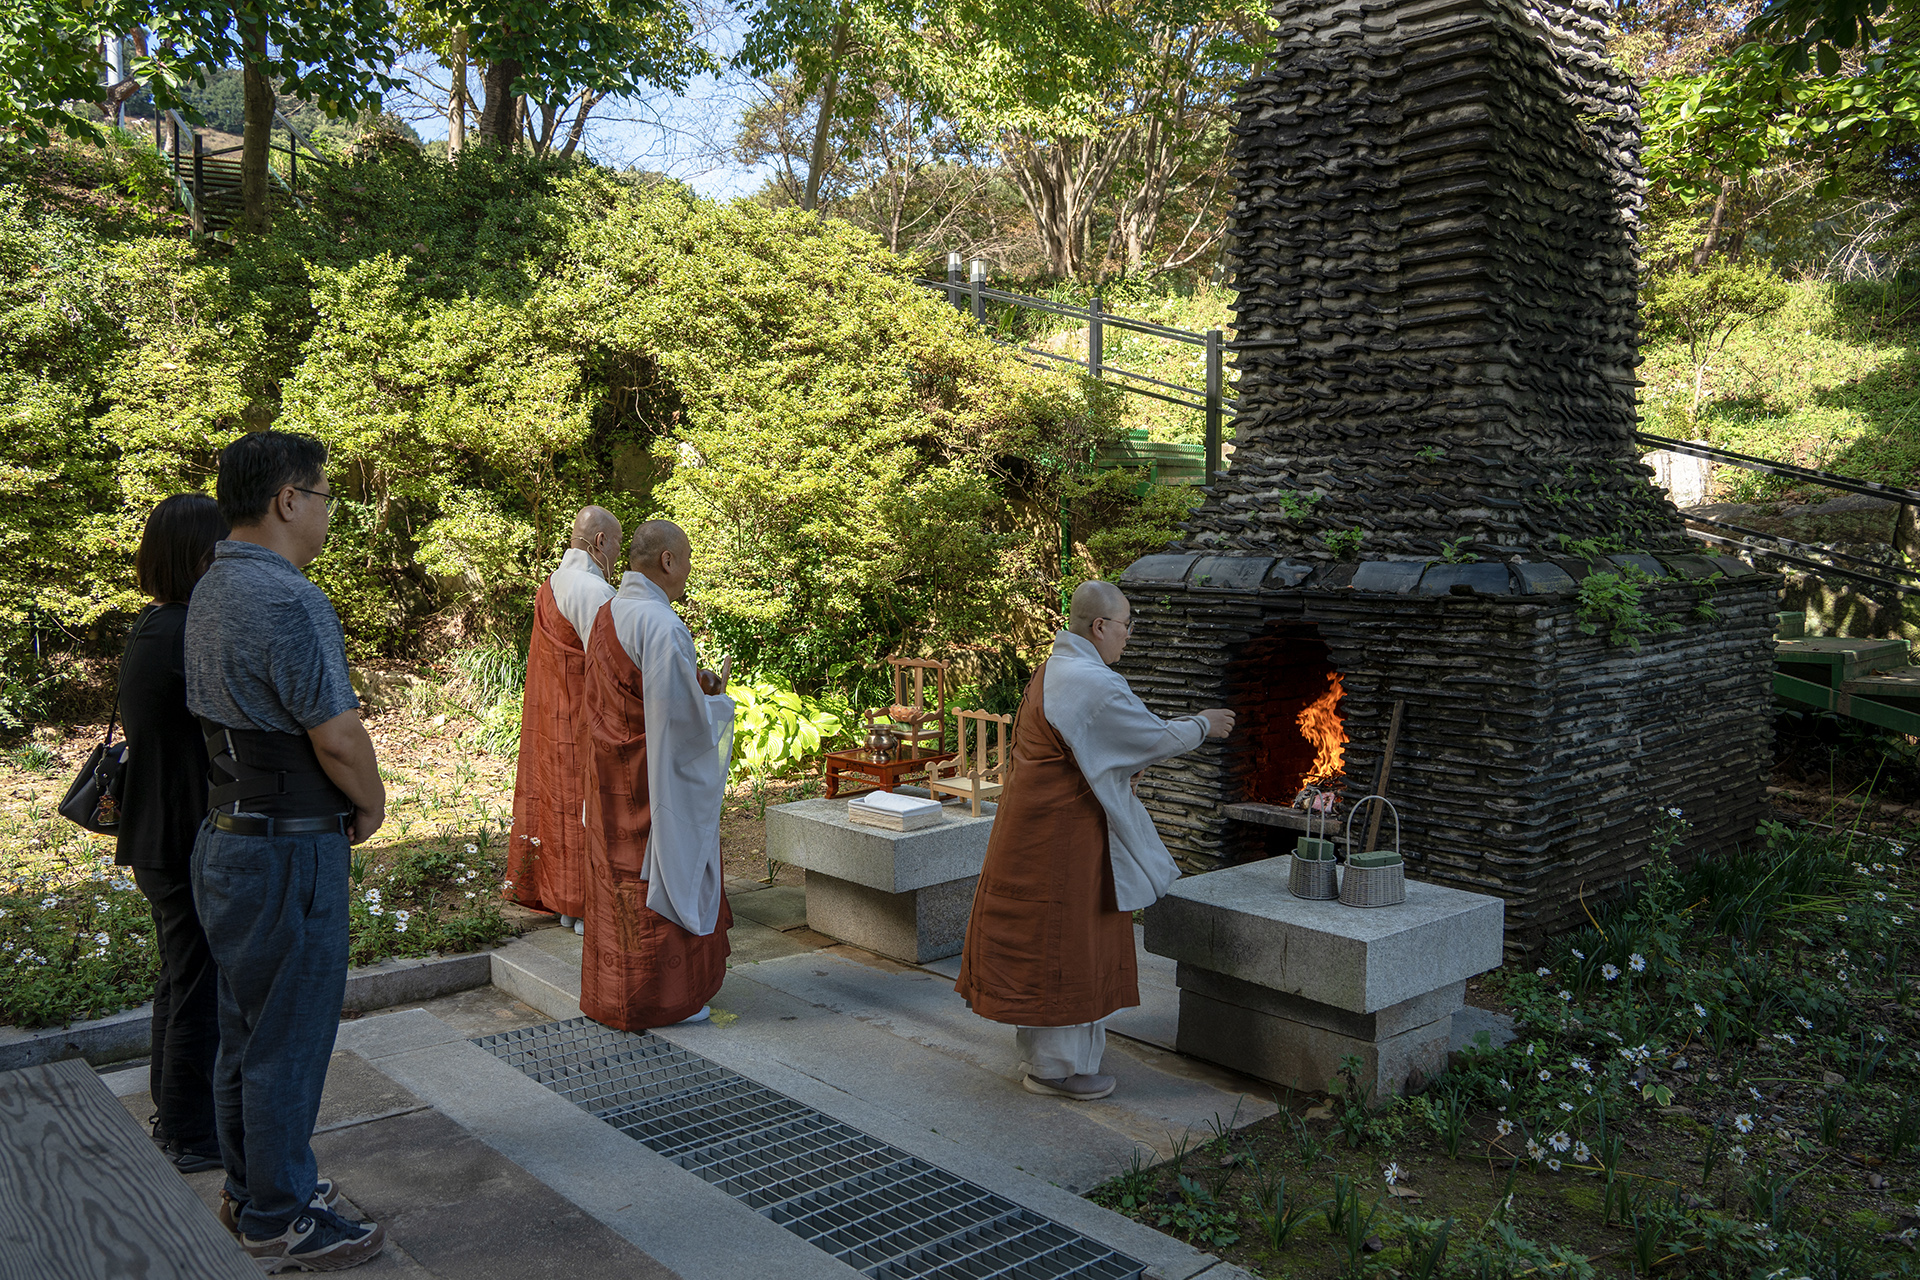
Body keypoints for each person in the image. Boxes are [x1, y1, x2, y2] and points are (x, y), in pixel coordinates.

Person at [185, 430, 387, 1272]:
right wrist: (372, 803)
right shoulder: (289, 598)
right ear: (288, 500)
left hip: (227, 841)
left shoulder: (211, 584)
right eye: (326, 496)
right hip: (287, 850)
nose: (330, 512)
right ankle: (279, 1215)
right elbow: (337, 736)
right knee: (289, 1042)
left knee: (246, 1032)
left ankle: (252, 1190)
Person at [954, 580, 1235, 1101]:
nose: (1129, 636)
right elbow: (1151, 736)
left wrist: (1122, 768)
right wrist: (1203, 724)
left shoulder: (1054, 669)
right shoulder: (1091, 681)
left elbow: (1089, 749)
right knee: (1067, 942)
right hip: (1064, 840)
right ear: (1100, 626)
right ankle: (1057, 1070)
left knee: (1047, 938)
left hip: (1034, 829)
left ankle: (1049, 1059)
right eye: (1126, 625)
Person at [579, 519, 735, 1031]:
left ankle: (615, 994)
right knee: (661, 878)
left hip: (609, 777)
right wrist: (715, 703)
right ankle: (666, 1002)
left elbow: (624, 699)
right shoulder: (663, 624)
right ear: (667, 561)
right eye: (686, 561)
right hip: (651, 781)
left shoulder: (609, 613)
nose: (688, 572)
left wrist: (692, 683)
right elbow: (680, 727)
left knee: (620, 885)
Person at [116, 493, 229, 1174]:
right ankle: (190, 1132)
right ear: (199, 555)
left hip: (156, 828)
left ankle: (174, 1112)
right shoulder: (186, 632)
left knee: (181, 974)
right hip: (179, 831)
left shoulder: (154, 625)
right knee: (198, 982)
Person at [508, 506, 623, 936]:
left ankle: (565, 902)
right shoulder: (593, 590)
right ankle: (589, 906)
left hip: (554, 717)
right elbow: (613, 661)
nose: (618, 554)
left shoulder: (552, 583)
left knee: (561, 804)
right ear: (599, 542)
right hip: (586, 719)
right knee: (589, 805)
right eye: (616, 543)